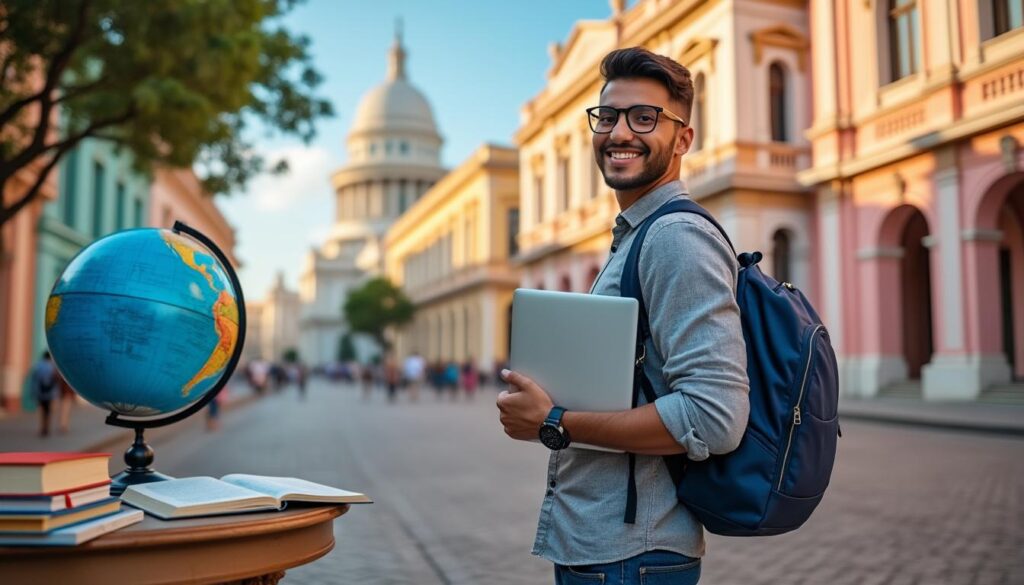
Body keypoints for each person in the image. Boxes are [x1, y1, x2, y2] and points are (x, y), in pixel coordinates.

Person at [496, 47, 749, 585]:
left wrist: (554, 421)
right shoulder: (637, 236)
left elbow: (714, 417)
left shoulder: (676, 239)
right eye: (607, 117)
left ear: (683, 139)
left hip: (633, 559)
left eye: (644, 118)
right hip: (606, 549)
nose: (619, 133)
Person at [29, 351, 58, 437]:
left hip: (40, 393)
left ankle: (41, 427)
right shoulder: (52, 366)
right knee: (48, 412)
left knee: (41, 410)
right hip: (49, 393)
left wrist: (33, 392)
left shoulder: (38, 366)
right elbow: (55, 380)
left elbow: (34, 380)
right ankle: (47, 428)